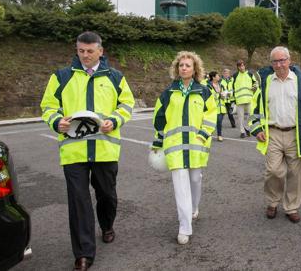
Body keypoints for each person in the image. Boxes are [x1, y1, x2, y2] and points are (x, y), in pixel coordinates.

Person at [40, 31, 135, 271]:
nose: (85, 55)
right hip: (74, 152)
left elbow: (126, 104)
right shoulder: (61, 76)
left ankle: (107, 224)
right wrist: (56, 121)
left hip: (105, 148)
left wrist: (114, 120)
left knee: (106, 195)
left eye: (90, 51)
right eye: (81, 50)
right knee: (79, 201)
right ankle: (84, 254)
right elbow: (48, 106)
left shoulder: (115, 77)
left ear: (100, 51)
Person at [249, 47, 301, 223]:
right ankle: (272, 202)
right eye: (275, 61)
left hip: (295, 134)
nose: (279, 65)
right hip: (273, 134)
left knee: (295, 173)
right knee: (273, 171)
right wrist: (257, 129)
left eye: (282, 60)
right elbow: (254, 109)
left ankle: (291, 207)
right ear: (271, 63)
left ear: (289, 60)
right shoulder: (265, 82)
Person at [151, 51, 217, 245]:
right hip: (175, 147)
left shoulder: (204, 91)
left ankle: (194, 207)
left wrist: (204, 133)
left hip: (197, 145)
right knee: (181, 186)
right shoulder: (168, 93)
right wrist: (157, 141)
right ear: (177, 69)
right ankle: (184, 227)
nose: (184, 68)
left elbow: (212, 114)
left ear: (195, 69)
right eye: (181, 65)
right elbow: (159, 119)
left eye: (188, 65)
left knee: (195, 179)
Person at [232, 59, 258, 138]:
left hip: (249, 99)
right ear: (238, 67)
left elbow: (255, 82)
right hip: (239, 100)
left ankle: (247, 129)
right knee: (240, 118)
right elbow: (231, 87)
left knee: (250, 117)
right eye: (240, 66)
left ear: (244, 66)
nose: (242, 67)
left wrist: (254, 87)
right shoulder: (235, 75)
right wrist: (233, 100)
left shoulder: (250, 74)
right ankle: (242, 132)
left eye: (242, 65)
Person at [207, 71, 227, 142]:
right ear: (213, 77)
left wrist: (225, 95)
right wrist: (219, 95)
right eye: (217, 76)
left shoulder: (221, 85)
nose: (219, 77)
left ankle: (219, 135)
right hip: (213, 108)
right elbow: (210, 96)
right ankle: (211, 133)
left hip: (222, 108)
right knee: (214, 122)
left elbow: (225, 95)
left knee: (219, 122)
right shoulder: (208, 86)